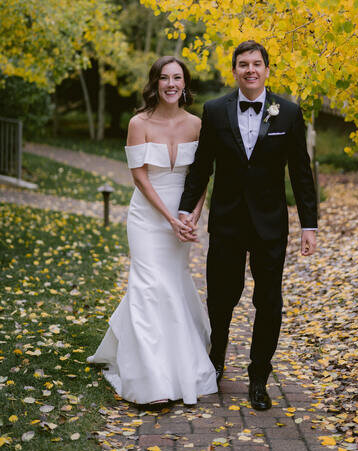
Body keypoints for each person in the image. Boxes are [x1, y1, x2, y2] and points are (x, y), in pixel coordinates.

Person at [178, 40, 317, 411]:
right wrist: (184, 210)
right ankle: (217, 357)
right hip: (227, 222)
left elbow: (301, 173)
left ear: (267, 70)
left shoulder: (287, 112)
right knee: (222, 297)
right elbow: (202, 167)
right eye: (243, 64)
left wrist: (310, 225)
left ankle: (259, 378)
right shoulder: (214, 111)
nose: (250, 70)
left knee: (269, 301)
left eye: (257, 64)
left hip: (271, 225)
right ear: (235, 70)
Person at [87, 56, 217, 406]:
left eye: (177, 78)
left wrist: (192, 215)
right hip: (147, 217)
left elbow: (201, 174)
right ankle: (149, 381)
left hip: (183, 215)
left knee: (171, 283)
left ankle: (178, 366)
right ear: (155, 84)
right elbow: (140, 177)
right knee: (147, 285)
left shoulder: (197, 124)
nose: (171, 84)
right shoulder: (138, 123)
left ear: (185, 84)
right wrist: (169, 217)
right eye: (164, 78)